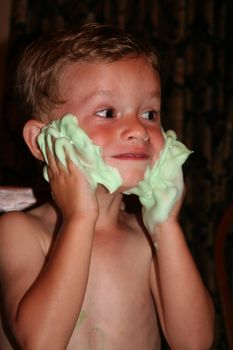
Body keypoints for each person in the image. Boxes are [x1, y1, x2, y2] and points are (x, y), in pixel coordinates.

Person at [0, 23, 214, 349]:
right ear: (43, 140)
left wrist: (166, 226)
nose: (139, 130)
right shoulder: (20, 232)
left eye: (150, 113)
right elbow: (41, 343)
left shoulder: (146, 238)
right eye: (108, 112)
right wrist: (80, 218)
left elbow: (195, 342)